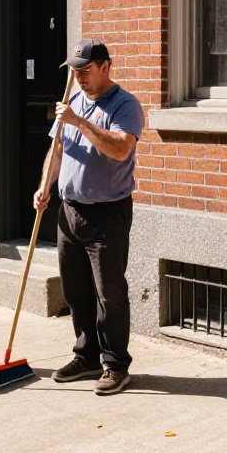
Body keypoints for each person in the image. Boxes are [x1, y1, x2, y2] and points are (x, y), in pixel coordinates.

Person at [34, 39, 144, 396]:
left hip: (107, 214)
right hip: (69, 210)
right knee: (75, 290)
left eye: (84, 70)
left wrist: (78, 121)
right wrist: (44, 187)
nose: (78, 77)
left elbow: (121, 148)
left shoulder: (125, 105)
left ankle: (115, 366)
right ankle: (87, 356)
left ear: (105, 67)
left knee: (109, 293)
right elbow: (57, 151)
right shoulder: (74, 102)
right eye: (74, 71)